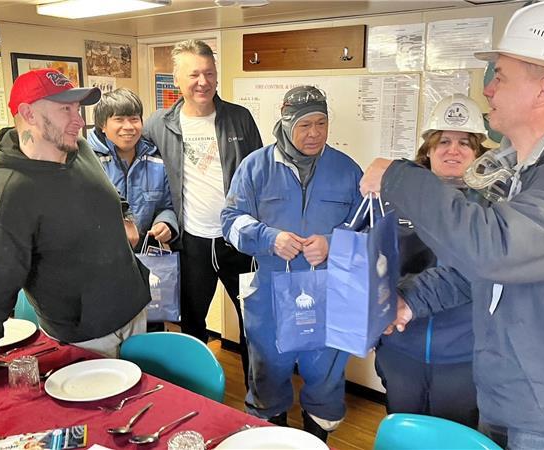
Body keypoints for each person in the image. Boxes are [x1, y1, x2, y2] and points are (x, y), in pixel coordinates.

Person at [360, 1, 544, 448]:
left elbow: (494, 248)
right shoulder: (532, 169)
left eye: (500, 76)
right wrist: (411, 301)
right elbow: (483, 269)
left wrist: (397, 177)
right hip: (514, 394)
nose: (488, 90)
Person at [0, 69, 151, 418]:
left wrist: (123, 218)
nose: (78, 122)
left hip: (133, 311)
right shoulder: (11, 193)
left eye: (77, 109)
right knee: (108, 425)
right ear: (28, 114)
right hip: (87, 336)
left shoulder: (79, 151)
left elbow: (109, 198)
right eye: (65, 110)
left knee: (147, 412)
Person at [221, 86, 362, 442]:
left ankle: (317, 440)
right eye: (304, 125)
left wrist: (333, 244)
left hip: (328, 295)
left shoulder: (347, 170)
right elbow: (230, 221)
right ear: (285, 124)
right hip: (270, 295)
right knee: (267, 375)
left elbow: (366, 229)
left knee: (326, 378)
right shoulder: (255, 167)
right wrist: (269, 237)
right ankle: (272, 439)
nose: (314, 133)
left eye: (321, 123)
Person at [143, 39, 262, 385]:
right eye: (193, 74)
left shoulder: (239, 119)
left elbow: (260, 175)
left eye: (209, 73)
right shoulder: (158, 124)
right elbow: (145, 177)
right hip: (191, 242)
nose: (203, 81)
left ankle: (262, 401)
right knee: (191, 324)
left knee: (253, 323)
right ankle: (191, 391)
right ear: (177, 80)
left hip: (237, 242)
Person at [375, 94, 488, 428]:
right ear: (428, 150)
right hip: (400, 351)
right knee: (403, 433)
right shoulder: (395, 197)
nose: (453, 150)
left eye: (465, 143)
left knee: (452, 439)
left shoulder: (490, 209)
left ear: (478, 153)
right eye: (444, 142)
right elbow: (371, 263)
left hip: (462, 358)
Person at [88, 88, 178, 248]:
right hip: (98, 253)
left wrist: (165, 222)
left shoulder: (156, 162)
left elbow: (166, 206)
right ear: (103, 125)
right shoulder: (88, 162)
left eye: (134, 119)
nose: (128, 126)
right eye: (119, 119)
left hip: (145, 253)